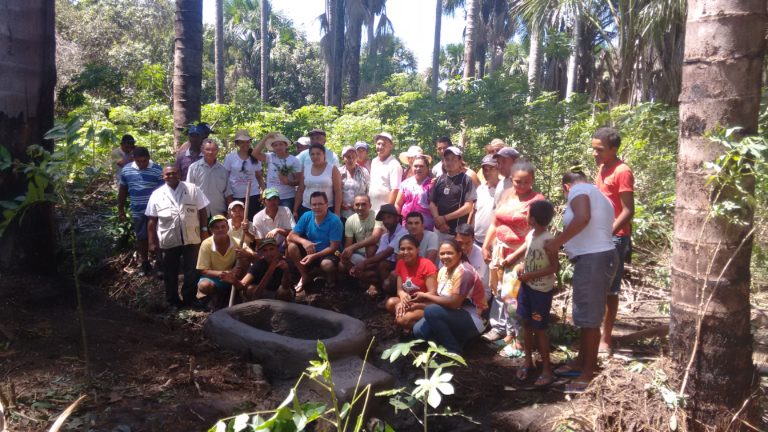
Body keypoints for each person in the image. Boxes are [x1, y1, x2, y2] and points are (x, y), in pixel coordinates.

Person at [544, 171, 618, 393]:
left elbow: (583, 217)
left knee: (589, 318)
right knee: (588, 312)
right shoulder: (599, 195)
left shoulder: (579, 189)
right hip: (599, 257)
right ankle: (582, 361)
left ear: (566, 186)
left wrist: (558, 242)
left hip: (594, 260)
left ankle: (588, 371)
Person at [481, 160, 545, 345]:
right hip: (501, 249)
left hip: (523, 253)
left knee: (515, 295)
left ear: (532, 180)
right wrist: (487, 245)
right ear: (512, 179)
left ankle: (521, 338)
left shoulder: (537, 200)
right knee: (501, 292)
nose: (522, 185)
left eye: (526, 182)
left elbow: (537, 232)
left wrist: (516, 256)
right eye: (518, 181)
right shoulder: (507, 194)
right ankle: (508, 331)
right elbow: (496, 222)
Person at [500, 200, 559, 387]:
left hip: (540, 291)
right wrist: (515, 262)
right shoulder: (532, 234)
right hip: (527, 288)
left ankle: (547, 370)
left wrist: (530, 275)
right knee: (526, 322)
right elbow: (526, 252)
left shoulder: (549, 240)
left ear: (532, 218)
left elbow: (554, 267)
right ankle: (528, 361)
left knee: (539, 328)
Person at [592, 127, 634, 354]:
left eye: (599, 150)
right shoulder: (603, 168)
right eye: (593, 149)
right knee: (598, 287)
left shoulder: (622, 171)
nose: (595, 154)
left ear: (613, 149)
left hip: (615, 239)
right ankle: (595, 334)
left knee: (611, 290)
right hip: (599, 236)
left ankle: (606, 339)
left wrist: (608, 232)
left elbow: (628, 210)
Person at [145, 165, 209, 309]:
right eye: (168, 174)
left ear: (179, 174)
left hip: (192, 237)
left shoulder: (192, 189)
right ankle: (172, 301)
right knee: (170, 272)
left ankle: (190, 298)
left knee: (192, 270)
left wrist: (204, 230)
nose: (171, 176)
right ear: (163, 176)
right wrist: (151, 242)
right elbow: (151, 220)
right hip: (169, 239)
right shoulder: (157, 194)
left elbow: (203, 210)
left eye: (174, 173)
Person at [411, 240, 487, 354]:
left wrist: (425, 296)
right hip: (453, 314)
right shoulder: (443, 270)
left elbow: (454, 303)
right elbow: (441, 300)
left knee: (431, 311)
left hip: (474, 319)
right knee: (418, 331)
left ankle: (453, 350)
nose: (445, 256)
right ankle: (453, 342)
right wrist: (418, 304)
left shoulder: (465, 272)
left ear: (459, 254)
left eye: (449, 253)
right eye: (442, 253)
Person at [117, 146, 163, 275]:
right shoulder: (126, 170)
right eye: (139, 161)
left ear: (149, 158)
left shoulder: (157, 170)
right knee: (141, 237)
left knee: (158, 236)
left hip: (155, 212)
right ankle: (145, 263)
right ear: (134, 159)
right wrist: (120, 209)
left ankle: (159, 263)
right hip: (138, 210)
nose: (142, 163)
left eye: (145, 161)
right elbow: (123, 190)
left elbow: (163, 192)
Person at [286, 191, 344, 292]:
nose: (317, 207)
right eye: (314, 204)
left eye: (320, 204)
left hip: (329, 252)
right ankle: (305, 275)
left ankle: (331, 277)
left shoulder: (335, 220)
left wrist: (314, 256)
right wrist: (304, 242)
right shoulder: (307, 216)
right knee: (291, 246)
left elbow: (333, 247)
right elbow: (291, 236)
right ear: (310, 206)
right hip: (311, 250)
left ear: (327, 204)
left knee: (327, 265)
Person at [349, 204, 408, 297]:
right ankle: (379, 288)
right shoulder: (385, 236)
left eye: (389, 217)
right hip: (386, 267)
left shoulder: (403, 232)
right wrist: (359, 267)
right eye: (384, 218)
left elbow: (385, 254)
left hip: (403, 267)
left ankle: (389, 296)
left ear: (397, 219)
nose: (386, 221)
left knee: (383, 264)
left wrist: (364, 263)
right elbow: (378, 255)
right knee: (364, 273)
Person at [385, 235, 438, 331]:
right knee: (391, 303)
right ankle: (411, 324)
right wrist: (402, 298)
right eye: (402, 249)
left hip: (426, 304)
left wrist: (412, 303)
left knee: (401, 319)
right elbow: (400, 290)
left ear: (417, 249)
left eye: (410, 249)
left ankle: (422, 332)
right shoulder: (401, 263)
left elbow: (433, 294)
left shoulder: (427, 265)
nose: (405, 252)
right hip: (411, 301)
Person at [429, 146, 476, 243]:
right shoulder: (439, 179)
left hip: (456, 233)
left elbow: (468, 207)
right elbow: (432, 203)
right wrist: (439, 221)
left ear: (460, 161)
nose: (450, 162)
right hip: (439, 230)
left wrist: (445, 218)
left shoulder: (466, 180)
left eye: (454, 159)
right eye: (447, 159)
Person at [225, 238, 294, 302]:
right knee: (249, 289)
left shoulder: (287, 263)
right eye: (265, 250)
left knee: (283, 291)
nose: (269, 253)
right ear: (262, 253)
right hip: (267, 294)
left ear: (277, 249)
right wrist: (234, 281)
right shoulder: (259, 264)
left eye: (271, 249)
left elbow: (286, 286)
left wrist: (286, 270)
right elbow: (243, 284)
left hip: (284, 298)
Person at [196, 215, 240, 310]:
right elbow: (203, 270)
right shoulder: (206, 244)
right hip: (214, 278)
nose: (220, 230)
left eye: (223, 226)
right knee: (204, 285)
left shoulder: (236, 242)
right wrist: (224, 273)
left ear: (228, 228)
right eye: (216, 227)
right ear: (211, 230)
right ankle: (215, 295)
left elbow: (252, 255)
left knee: (245, 259)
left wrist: (247, 255)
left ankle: (239, 294)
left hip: (232, 277)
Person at [252, 132, 303, 210]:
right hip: (270, 197)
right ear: (272, 147)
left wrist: (288, 182)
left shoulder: (294, 160)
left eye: (281, 144)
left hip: (287, 198)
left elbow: (299, 181)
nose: (278, 147)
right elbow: (255, 153)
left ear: (286, 145)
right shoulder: (270, 157)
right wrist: (267, 137)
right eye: (275, 145)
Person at [223, 129, 264, 220]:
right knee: (237, 219)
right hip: (236, 194)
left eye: (247, 142)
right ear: (237, 143)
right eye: (242, 142)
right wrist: (227, 195)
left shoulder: (255, 157)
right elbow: (225, 177)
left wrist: (264, 192)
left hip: (253, 194)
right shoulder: (230, 158)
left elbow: (259, 177)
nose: (245, 144)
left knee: (252, 219)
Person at [187, 139, 233, 218]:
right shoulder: (194, 168)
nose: (211, 152)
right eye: (208, 149)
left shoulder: (223, 170)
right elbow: (189, 191)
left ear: (217, 151)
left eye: (213, 150)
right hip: (199, 212)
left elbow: (228, 193)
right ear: (202, 150)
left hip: (219, 212)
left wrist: (230, 212)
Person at [339, 195, 385, 273]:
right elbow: (348, 246)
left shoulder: (377, 216)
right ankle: (360, 277)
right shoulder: (350, 220)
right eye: (357, 204)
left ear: (370, 205)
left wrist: (353, 247)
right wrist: (345, 255)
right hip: (359, 254)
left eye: (363, 204)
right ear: (353, 206)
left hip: (377, 254)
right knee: (341, 264)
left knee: (370, 247)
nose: (360, 207)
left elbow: (375, 238)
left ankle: (368, 275)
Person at [294, 143, 342, 217]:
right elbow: (300, 190)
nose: (315, 156)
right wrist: (295, 210)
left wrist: (337, 211)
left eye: (318, 154)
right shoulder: (306, 168)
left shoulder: (332, 169)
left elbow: (338, 191)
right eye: (312, 154)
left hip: (327, 209)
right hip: (306, 208)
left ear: (324, 155)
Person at [396, 155, 434, 230]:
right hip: (406, 225)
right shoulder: (405, 183)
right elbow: (398, 204)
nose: (418, 168)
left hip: (426, 226)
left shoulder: (432, 184)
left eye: (421, 166)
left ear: (427, 168)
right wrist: (397, 221)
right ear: (412, 167)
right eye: (415, 166)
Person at [368, 132, 403, 211]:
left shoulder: (394, 165)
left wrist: (386, 211)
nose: (380, 147)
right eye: (378, 144)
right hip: (371, 209)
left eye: (383, 144)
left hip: (383, 211)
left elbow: (395, 190)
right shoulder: (374, 161)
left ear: (391, 146)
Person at [473, 154, 500, 247]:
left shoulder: (504, 190)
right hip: (476, 239)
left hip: (494, 240)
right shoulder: (480, 189)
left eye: (491, 168)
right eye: (485, 169)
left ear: (498, 169)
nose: (487, 172)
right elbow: (474, 211)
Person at [452, 224, 488, 290]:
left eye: (468, 243)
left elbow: (482, 281)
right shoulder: (448, 252)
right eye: (460, 243)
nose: (463, 247)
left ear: (473, 240)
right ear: (454, 240)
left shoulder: (481, 255)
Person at [339, 146, 370, 219]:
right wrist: (341, 203)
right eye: (348, 157)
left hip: (361, 212)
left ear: (357, 157)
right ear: (343, 158)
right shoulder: (338, 172)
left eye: (354, 156)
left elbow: (368, 191)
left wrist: (360, 205)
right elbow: (335, 191)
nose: (351, 159)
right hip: (343, 213)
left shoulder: (364, 171)